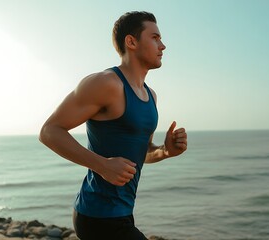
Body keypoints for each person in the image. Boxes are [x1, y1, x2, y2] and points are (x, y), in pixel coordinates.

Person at [39, 11, 188, 240]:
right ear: (131, 42)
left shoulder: (151, 96)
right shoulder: (106, 83)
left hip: (123, 213)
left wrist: (165, 151)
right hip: (97, 215)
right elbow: (49, 131)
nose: (163, 45)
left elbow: (143, 154)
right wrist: (102, 165)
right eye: (155, 37)